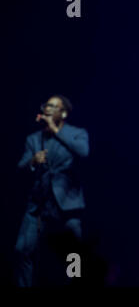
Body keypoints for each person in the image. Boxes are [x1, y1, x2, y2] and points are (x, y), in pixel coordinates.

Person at [14, 95, 89, 287]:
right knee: (23, 249)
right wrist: (32, 161)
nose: (48, 108)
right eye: (47, 105)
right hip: (39, 205)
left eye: (54, 106)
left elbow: (83, 152)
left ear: (63, 113)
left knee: (74, 254)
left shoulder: (77, 134)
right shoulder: (34, 139)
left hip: (67, 204)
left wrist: (55, 130)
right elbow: (19, 167)